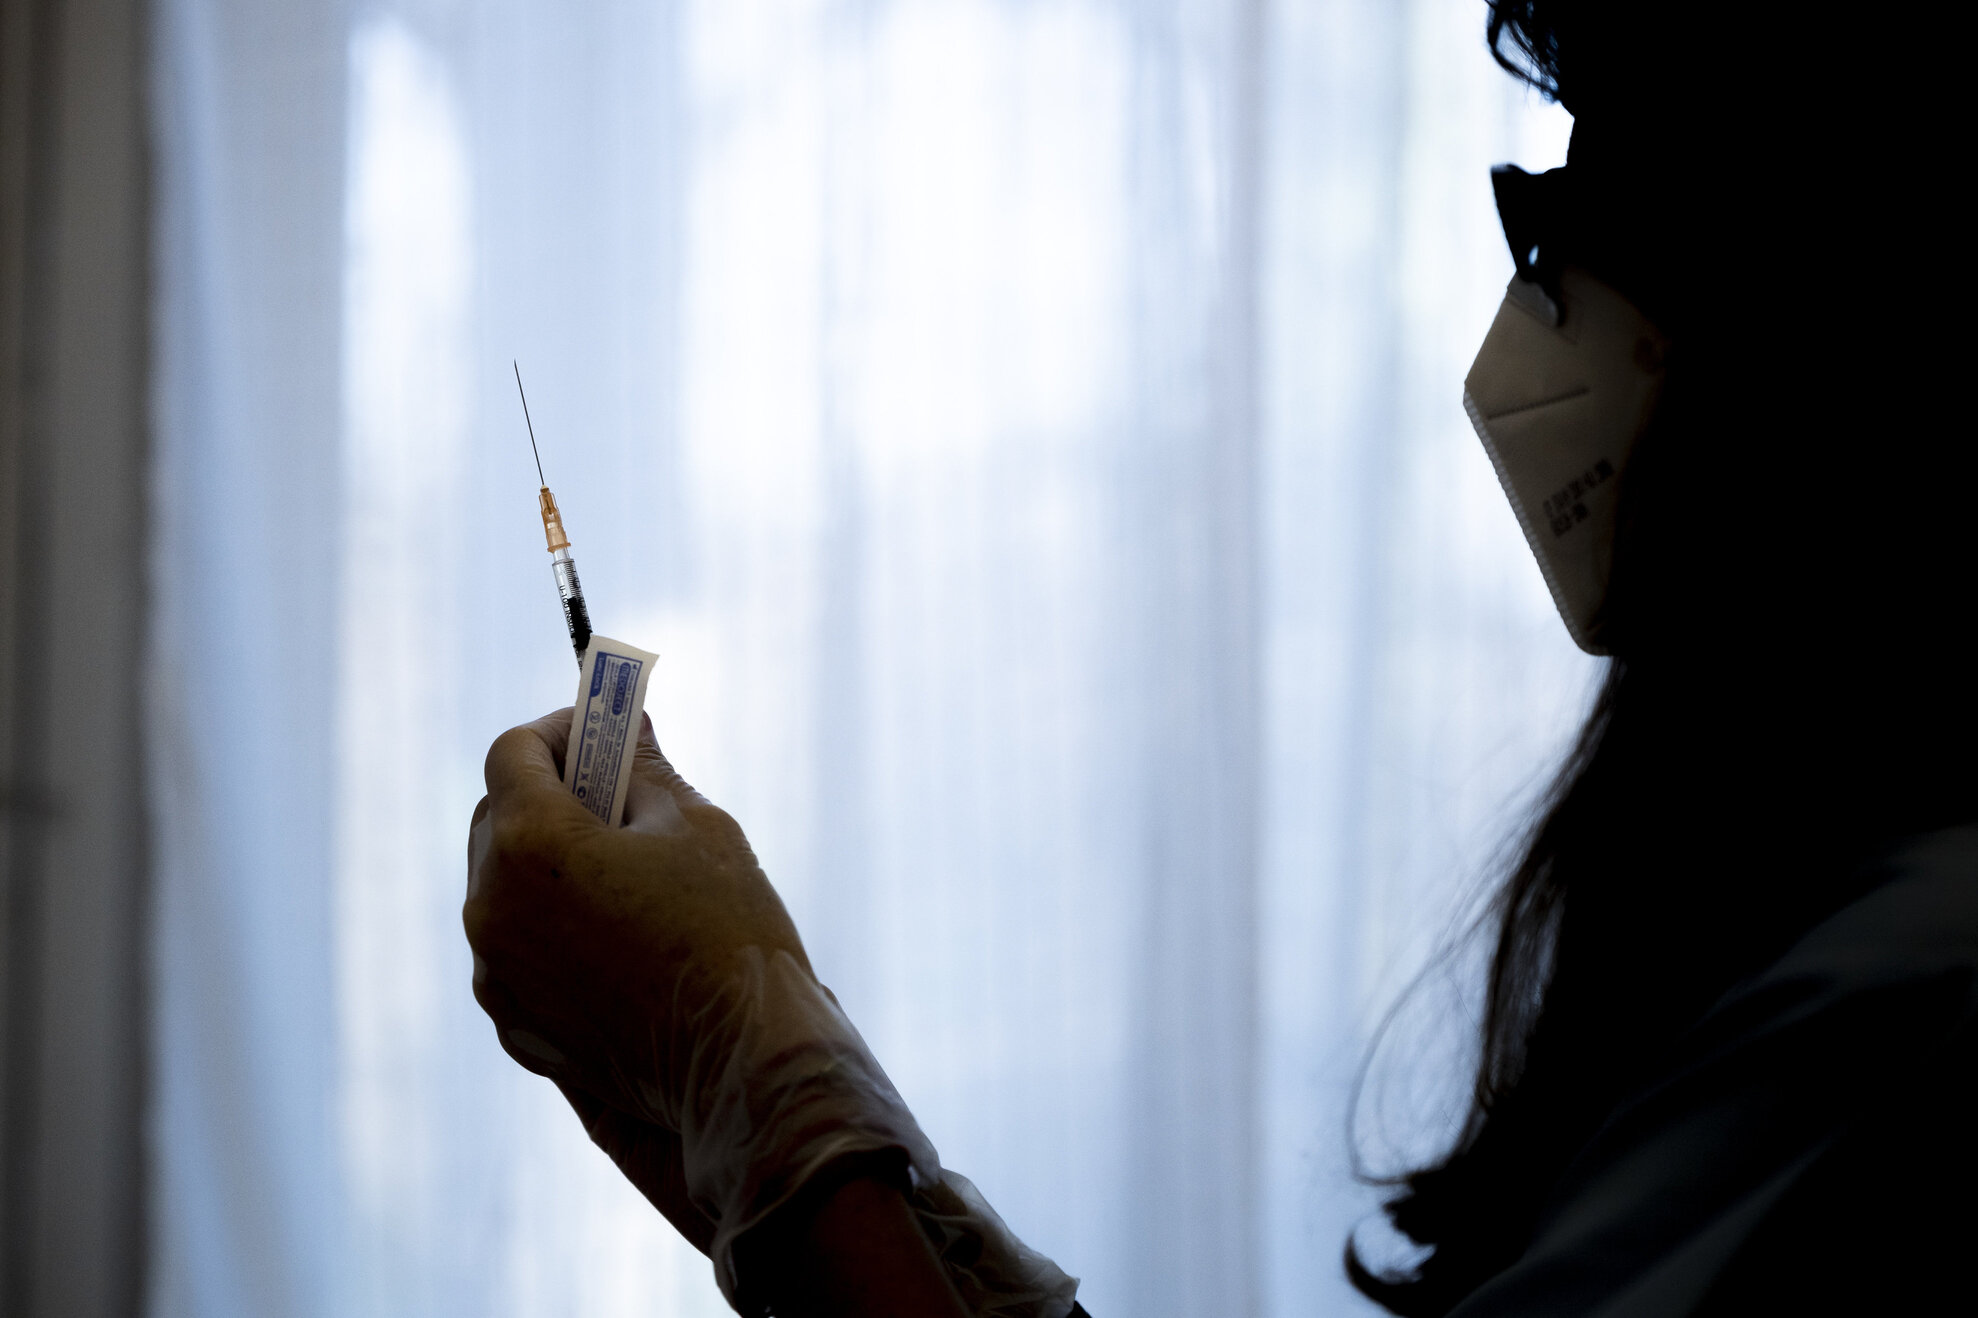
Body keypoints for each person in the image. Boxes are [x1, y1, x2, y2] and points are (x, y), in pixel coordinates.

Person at [464, 3, 1977, 1314]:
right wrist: (811, 1137)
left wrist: (771, 1114)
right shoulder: (1808, 894)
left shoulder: (1909, 988)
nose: (1539, 293)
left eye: (1598, 198)